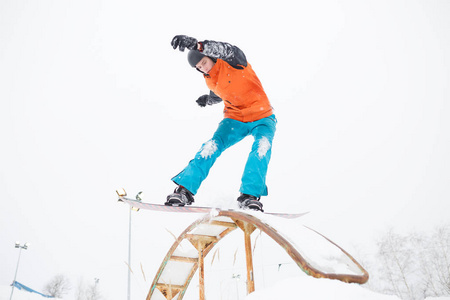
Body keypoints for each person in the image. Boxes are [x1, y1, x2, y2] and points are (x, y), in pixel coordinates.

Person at [166, 35, 277, 212]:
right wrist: (207, 100)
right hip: (234, 119)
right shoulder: (210, 78)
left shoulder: (234, 61)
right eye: (199, 67)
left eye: (204, 62)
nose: (203, 68)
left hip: (262, 116)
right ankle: (184, 190)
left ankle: (249, 195)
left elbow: (226, 49)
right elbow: (219, 93)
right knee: (211, 146)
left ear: (210, 56)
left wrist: (198, 45)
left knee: (261, 148)